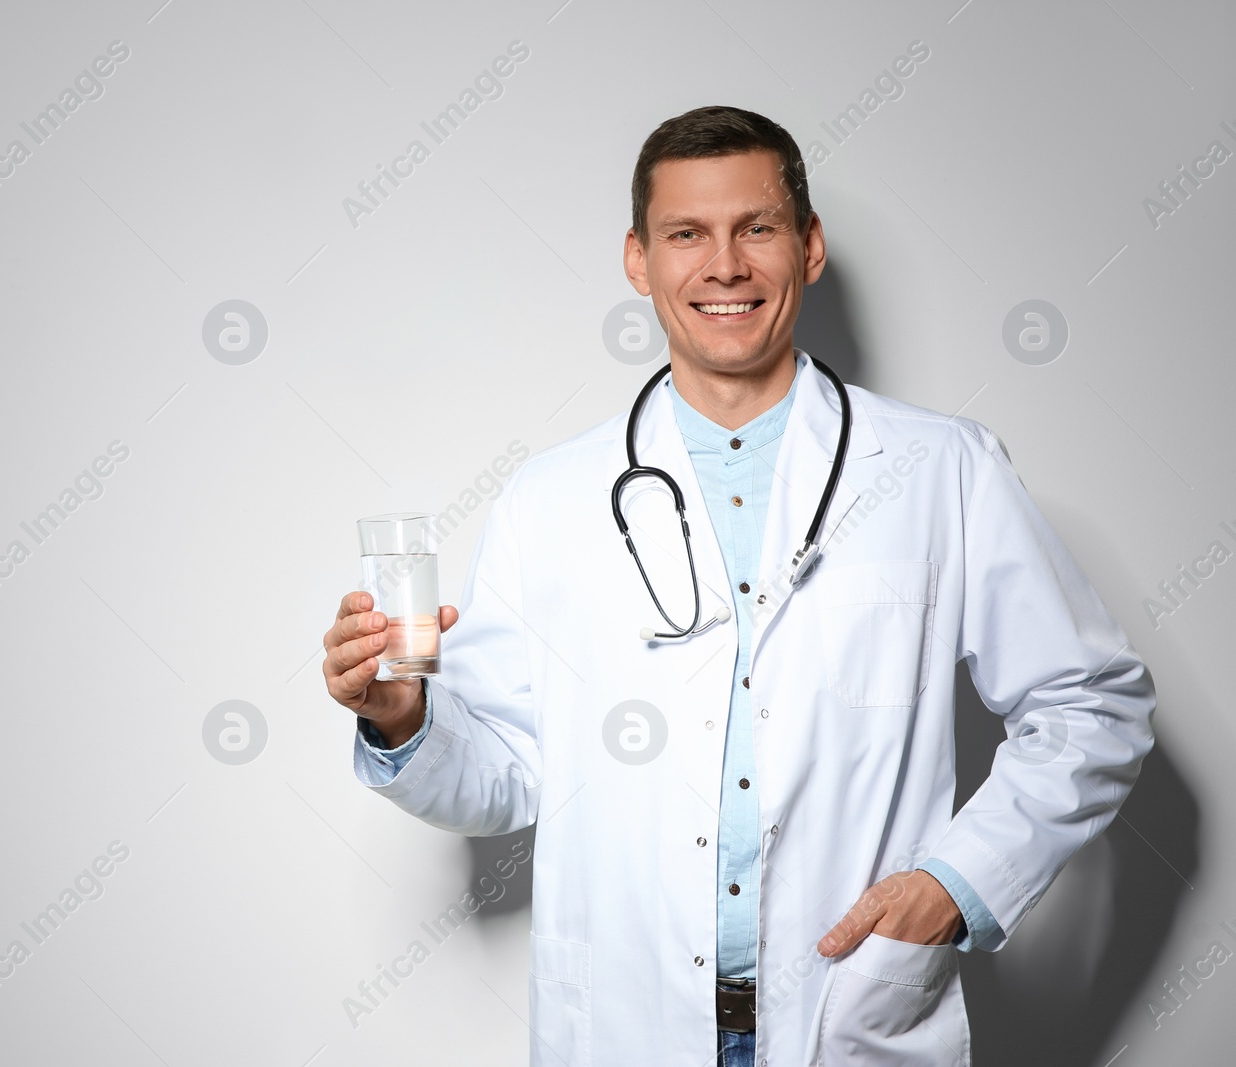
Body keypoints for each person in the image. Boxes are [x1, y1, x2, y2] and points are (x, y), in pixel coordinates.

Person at [321, 105, 1155, 1067]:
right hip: (627, 1026)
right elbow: (509, 773)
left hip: (856, 1007)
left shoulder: (943, 469)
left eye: (755, 228)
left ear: (809, 247)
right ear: (639, 260)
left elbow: (1093, 703)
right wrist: (401, 717)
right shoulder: (547, 498)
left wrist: (959, 883)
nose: (724, 266)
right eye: (687, 234)